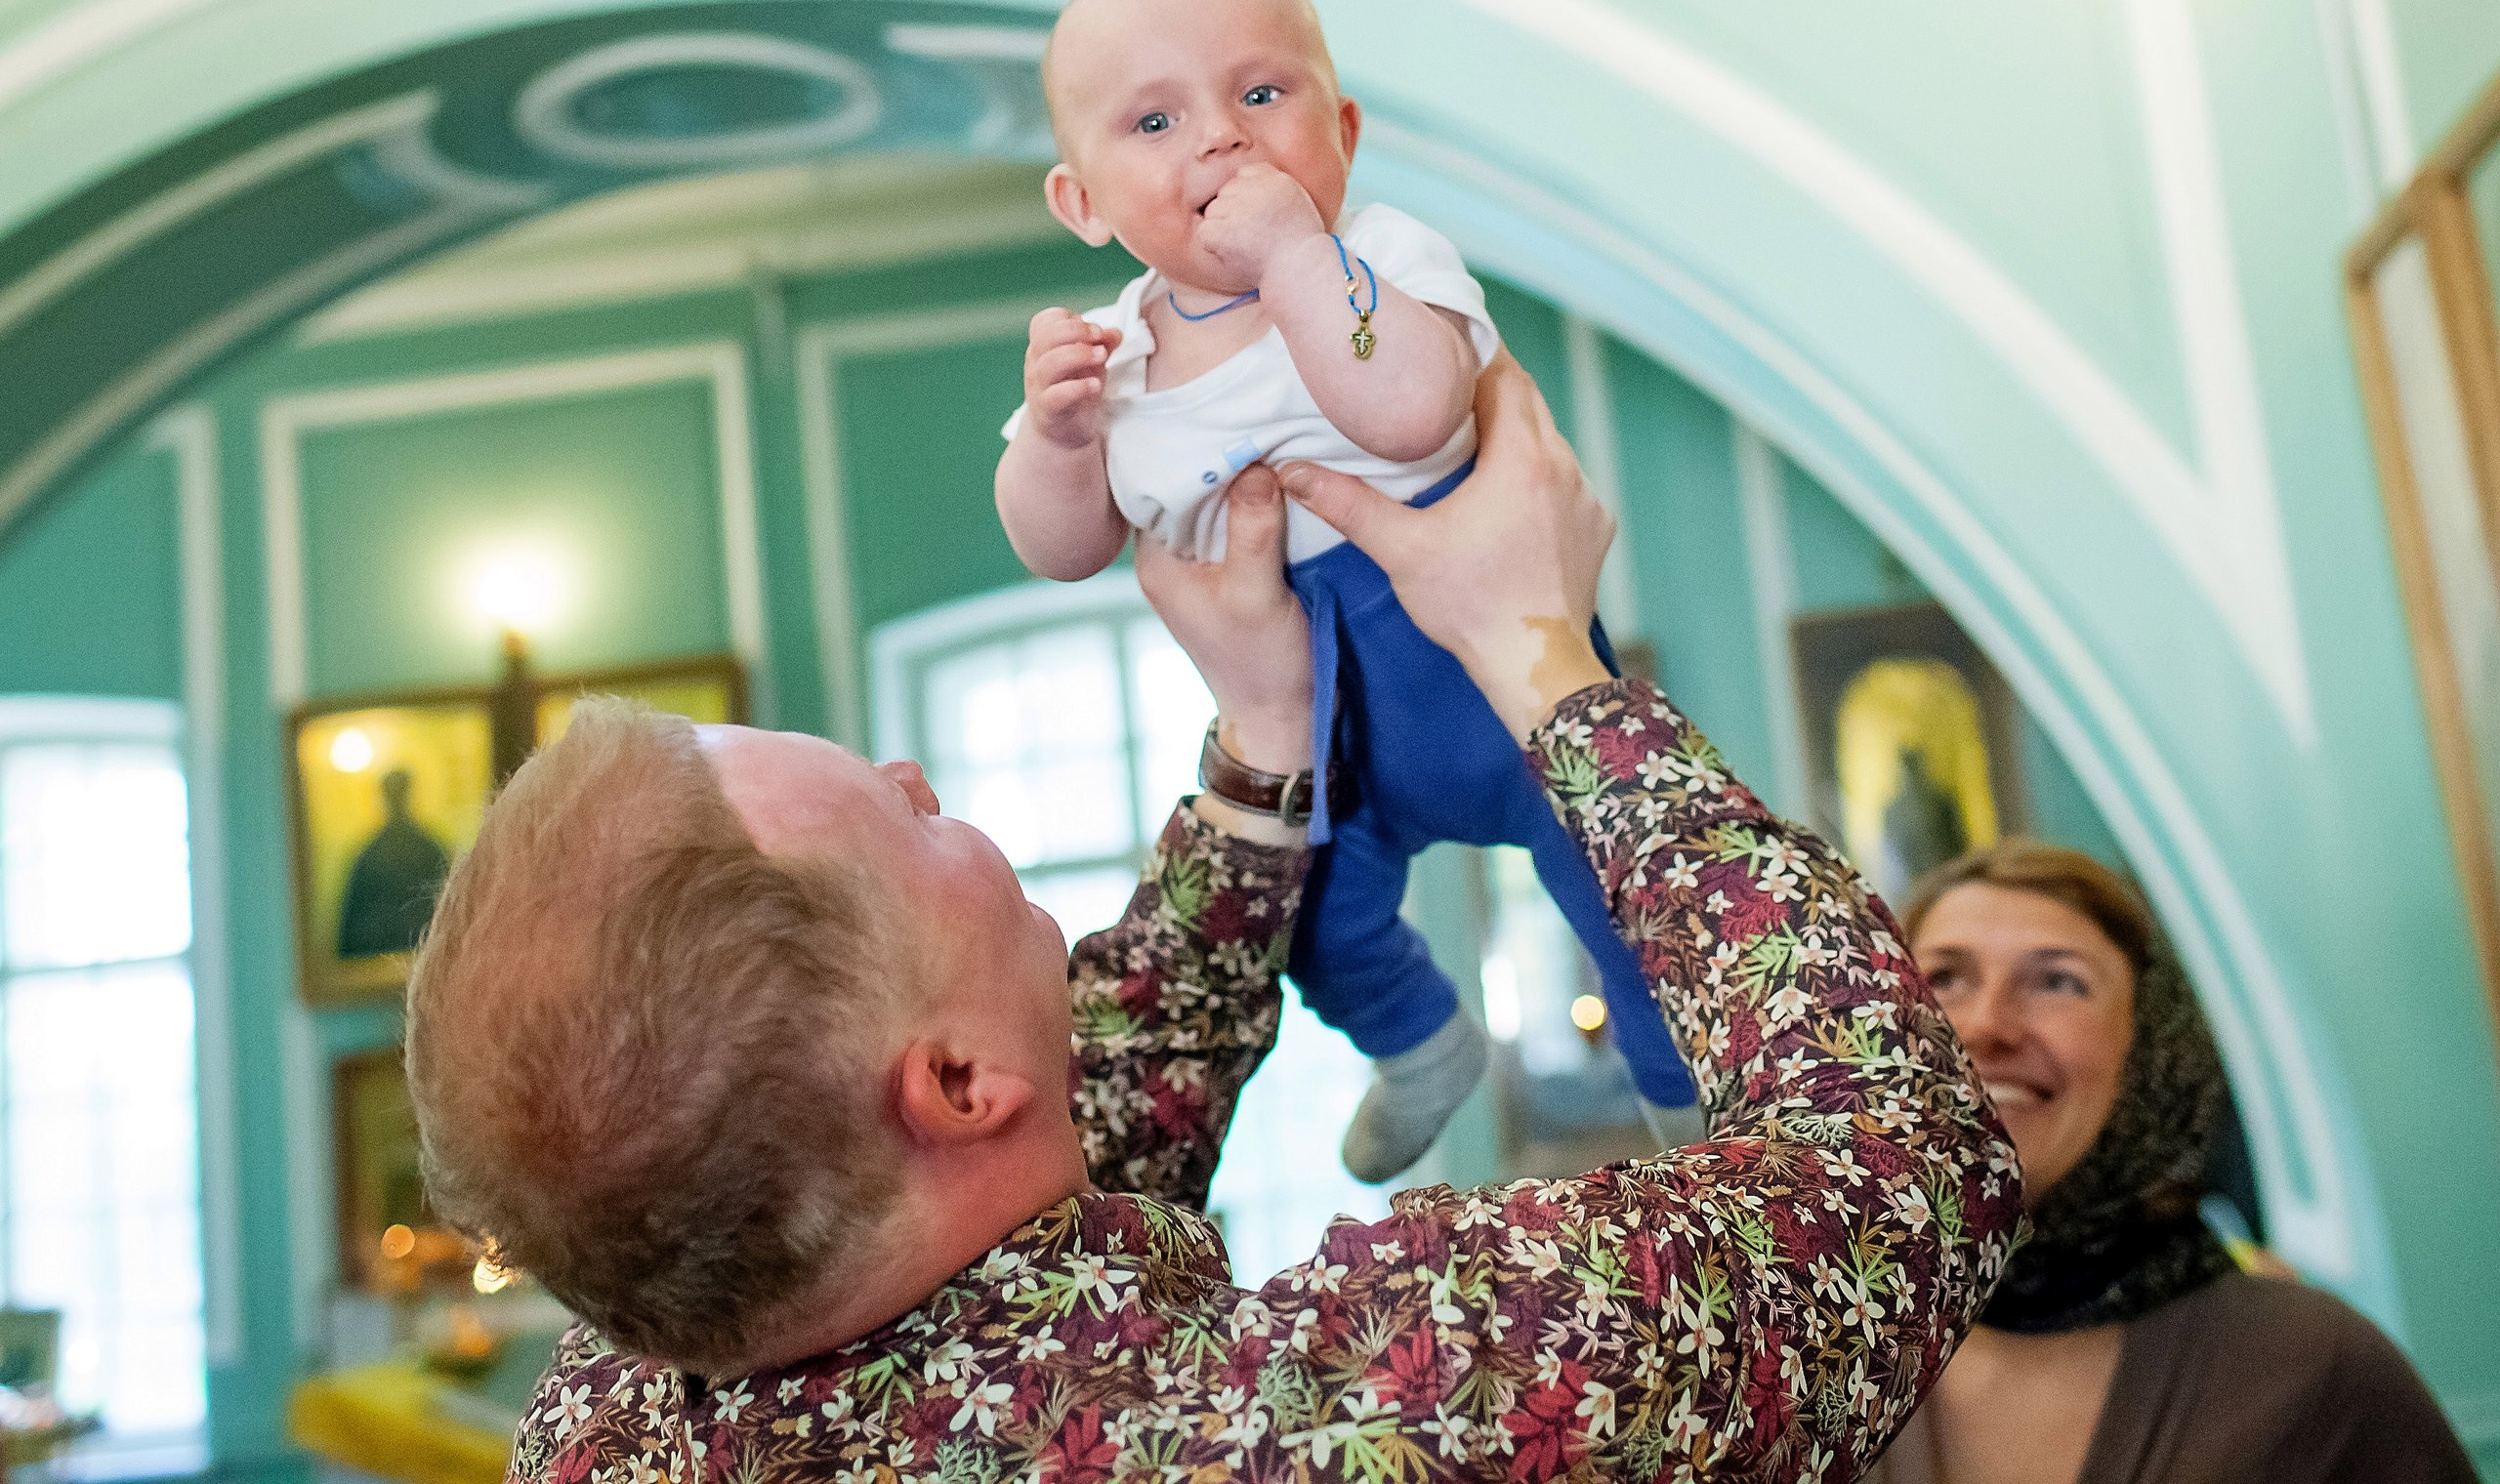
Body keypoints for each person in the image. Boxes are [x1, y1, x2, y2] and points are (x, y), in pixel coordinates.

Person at [406, 356, 2021, 1482]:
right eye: (900, 811)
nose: (912, 767)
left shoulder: (616, 1415)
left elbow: (1093, 1091)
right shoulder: (1374, 1400)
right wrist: (1552, 666)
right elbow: (1905, 1173)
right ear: (957, 1082)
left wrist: (1266, 735)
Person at [995, 0, 1695, 1180]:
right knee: (1298, 915)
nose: (1221, 138)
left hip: (1480, 662)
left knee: (1619, 897)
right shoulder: (1112, 358)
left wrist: (1295, 261)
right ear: (1083, 204)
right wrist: (1055, 438)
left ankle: (1678, 1098)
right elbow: (1063, 549)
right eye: (1154, 120)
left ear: (1344, 130)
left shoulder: (1384, 257)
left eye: (1261, 96)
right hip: (1312, 712)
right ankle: (1419, 1043)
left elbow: (1412, 412)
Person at [1871, 840, 2475, 1484]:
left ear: (2154, 1048)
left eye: (2056, 980)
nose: (1988, 1024)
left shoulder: (2314, 1369)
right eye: (1945, 977)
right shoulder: (1806, 1354)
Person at [336, 765, 450, 959]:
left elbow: (449, 912)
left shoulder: (429, 850)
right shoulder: (370, 856)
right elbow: (352, 933)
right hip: (377, 963)